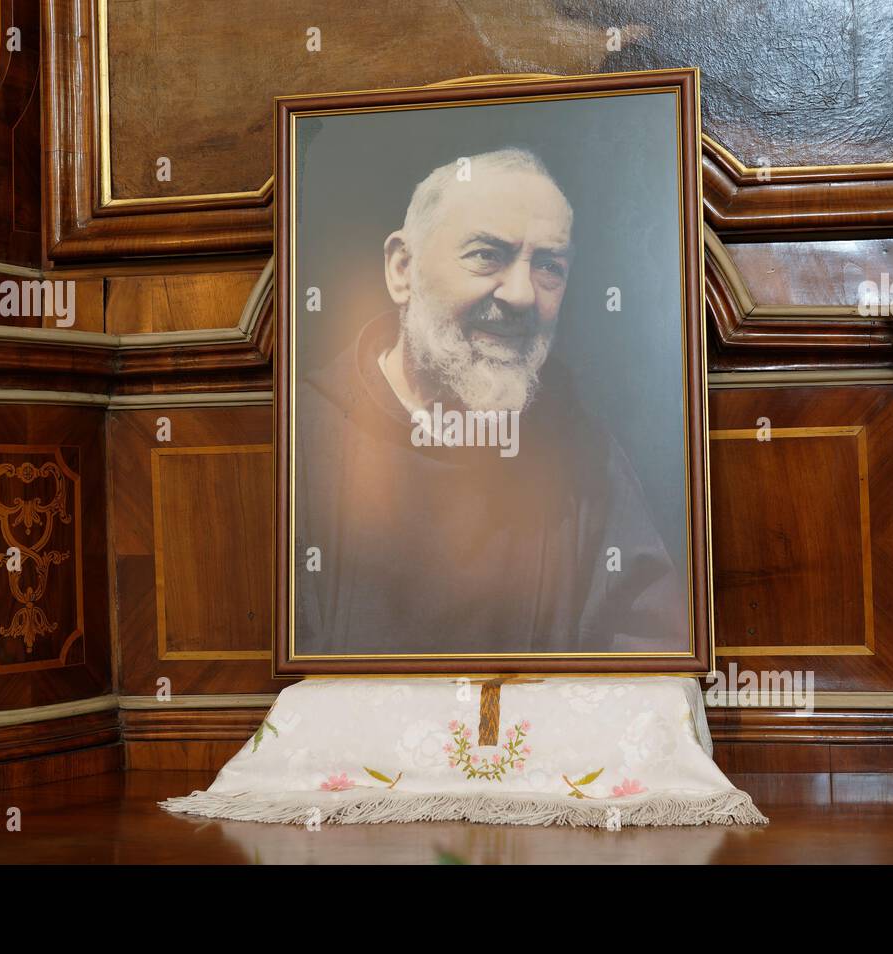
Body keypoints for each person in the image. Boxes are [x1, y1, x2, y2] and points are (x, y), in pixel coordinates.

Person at [293, 147, 687, 657]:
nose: (522, 295)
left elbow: (649, 661)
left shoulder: (583, 454)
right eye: (487, 255)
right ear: (402, 269)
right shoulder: (302, 437)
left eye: (549, 266)